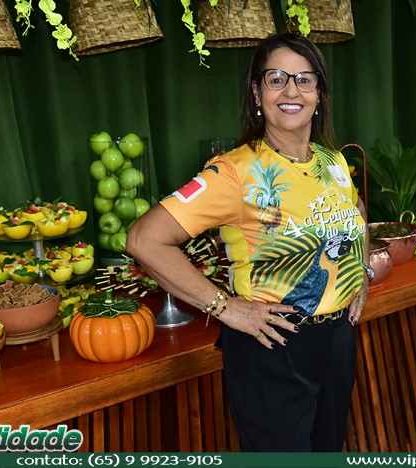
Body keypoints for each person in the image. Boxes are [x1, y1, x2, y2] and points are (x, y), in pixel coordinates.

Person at [126, 32, 372, 452]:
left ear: (319, 94)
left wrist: (361, 271)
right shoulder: (234, 172)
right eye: (276, 79)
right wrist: (226, 308)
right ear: (257, 93)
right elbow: (144, 239)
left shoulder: (332, 162)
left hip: (336, 342)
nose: (291, 90)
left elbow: (357, 211)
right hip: (273, 347)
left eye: (304, 79)